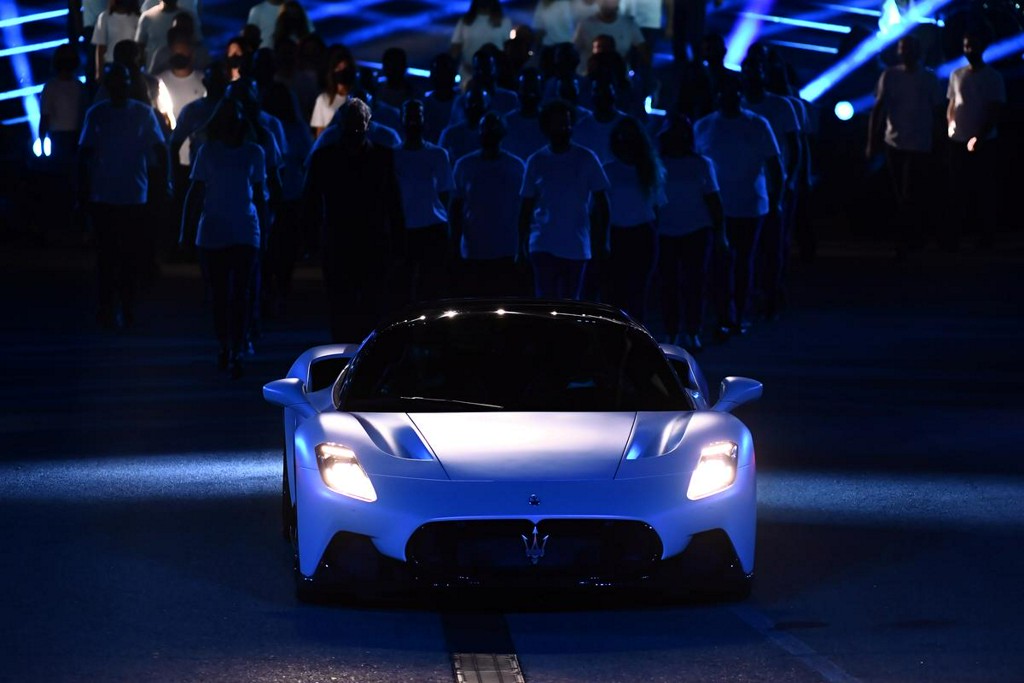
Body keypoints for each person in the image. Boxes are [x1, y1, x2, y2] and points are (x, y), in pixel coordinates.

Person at [301, 98, 406, 342]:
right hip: (346, 240)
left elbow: (393, 202)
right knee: (344, 305)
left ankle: (358, 356)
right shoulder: (376, 157)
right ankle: (348, 356)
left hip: (366, 240)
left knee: (368, 304)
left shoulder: (330, 157)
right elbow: (311, 202)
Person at [181, 97, 268, 378]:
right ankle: (225, 344)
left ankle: (237, 345)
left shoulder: (254, 152)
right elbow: (194, 193)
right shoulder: (209, 152)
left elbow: (260, 195)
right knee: (219, 294)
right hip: (214, 231)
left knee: (240, 293)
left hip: (244, 229)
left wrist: (264, 231)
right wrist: (185, 230)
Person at [77, 62, 168, 329]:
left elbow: (84, 155)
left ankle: (119, 307)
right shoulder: (120, 113)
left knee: (120, 257)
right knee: (113, 257)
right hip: (118, 195)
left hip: (121, 195)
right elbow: (159, 150)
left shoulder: (104, 113)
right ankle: (117, 308)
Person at [694, 77, 781, 340]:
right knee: (720, 264)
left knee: (743, 262)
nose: (728, 96)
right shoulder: (704, 125)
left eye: (733, 92)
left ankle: (738, 313)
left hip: (750, 206)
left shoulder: (757, 124)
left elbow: (775, 166)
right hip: (716, 208)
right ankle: (724, 316)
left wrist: (775, 202)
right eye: (723, 91)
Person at [518, 99, 610, 300]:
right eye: (559, 124)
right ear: (547, 127)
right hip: (543, 243)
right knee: (545, 304)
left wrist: (603, 240)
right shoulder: (536, 160)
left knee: (572, 303)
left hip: (576, 244)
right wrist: (522, 243)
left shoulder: (587, 158)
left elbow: (602, 201)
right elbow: (526, 205)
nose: (564, 129)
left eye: (567, 123)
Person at [866, 34, 941, 259]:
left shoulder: (928, 78)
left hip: (919, 143)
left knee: (909, 193)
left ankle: (906, 240)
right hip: (895, 142)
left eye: (908, 48)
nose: (905, 52)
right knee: (902, 192)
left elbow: (937, 111)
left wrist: (940, 140)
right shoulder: (890, 75)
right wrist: (872, 142)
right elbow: (878, 110)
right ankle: (912, 237)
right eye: (902, 48)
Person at [657, 115, 724, 352]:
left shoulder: (701, 163)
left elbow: (714, 200)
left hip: (696, 230)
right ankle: (672, 330)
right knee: (669, 283)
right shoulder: (657, 163)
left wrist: (720, 233)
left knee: (694, 282)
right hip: (666, 230)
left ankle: (693, 330)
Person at [451, 111, 526, 297]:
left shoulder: (516, 166)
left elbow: (525, 208)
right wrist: (454, 243)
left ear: (503, 132)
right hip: (473, 248)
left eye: (494, 128)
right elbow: (455, 207)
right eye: (485, 128)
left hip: (507, 249)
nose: (489, 132)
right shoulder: (464, 165)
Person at [945, 26, 1006, 249]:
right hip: (958, 140)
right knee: (956, 190)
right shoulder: (956, 75)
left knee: (983, 190)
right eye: (965, 46)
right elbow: (952, 103)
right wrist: (950, 124)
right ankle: (955, 237)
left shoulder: (993, 77)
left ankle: (985, 236)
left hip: (985, 142)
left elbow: (995, 109)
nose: (968, 49)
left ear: (982, 47)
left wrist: (979, 136)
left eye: (972, 45)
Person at [602, 116, 665, 323]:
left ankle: (637, 345)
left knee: (638, 293)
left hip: (642, 234)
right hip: (616, 234)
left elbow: (657, 207)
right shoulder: (608, 169)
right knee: (614, 294)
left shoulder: (649, 169)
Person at [393, 100, 455, 305]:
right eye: (408, 115)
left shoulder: (438, 154)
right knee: (402, 285)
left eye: (417, 115)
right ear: (401, 119)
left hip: (432, 226)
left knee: (431, 285)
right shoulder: (393, 155)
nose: (412, 120)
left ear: (423, 119)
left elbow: (446, 193)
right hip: (404, 228)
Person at [260, 81, 313, 316]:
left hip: (290, 192)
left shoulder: (296, 128)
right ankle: (270, 289)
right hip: (271, 193)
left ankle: (282, 287)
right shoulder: (263, 125)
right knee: (272, 245)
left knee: (285, 244)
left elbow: (307, 159)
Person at [40, 44, 87, 166]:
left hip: (69, 136)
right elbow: (45, 117)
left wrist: (42, 147)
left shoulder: (51, 86)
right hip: (67, 137)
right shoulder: (78, 86)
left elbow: (45, 117)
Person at [572, 0, 648, 75]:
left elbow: (643, 50)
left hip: (619, 79)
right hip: (589, 79)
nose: (608, 4)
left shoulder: (629, 24)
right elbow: (574, 50)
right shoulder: (585, 25)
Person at [451, 0, 513, 86]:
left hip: (494, 77)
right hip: (468, 76)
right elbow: (455, 49)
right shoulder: (464, 22)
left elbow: (508, 49)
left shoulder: (504, 22)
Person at [135, 0, 200, 69]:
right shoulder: (147, 17)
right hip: (155, 72)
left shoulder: (188, 16)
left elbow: (197, 43)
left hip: (183, 72)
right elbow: (140, 45)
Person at [503, 67, 548, 161]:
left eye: (534, 88)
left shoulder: (549, 121)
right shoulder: (506, 122)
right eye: (526, 88)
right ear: (518, 90)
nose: (530, 94)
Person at [91, 0, 141, 81]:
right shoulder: (104, 17)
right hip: (112, 66)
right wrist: (99, 72)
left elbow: (139, 45)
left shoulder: (136, 18)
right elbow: (100, 47)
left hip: (131, 66)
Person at [310, 46, 354, 137]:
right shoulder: (324, 100)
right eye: (338, 68)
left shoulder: (360, 97)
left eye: (346, 69)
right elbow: (320, 136)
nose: (342, 74)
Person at [422, 52, 460, 144]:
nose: (442, 78)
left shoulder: (462, 104)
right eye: (438, 73)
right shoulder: (424, 106)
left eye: (446, 73)